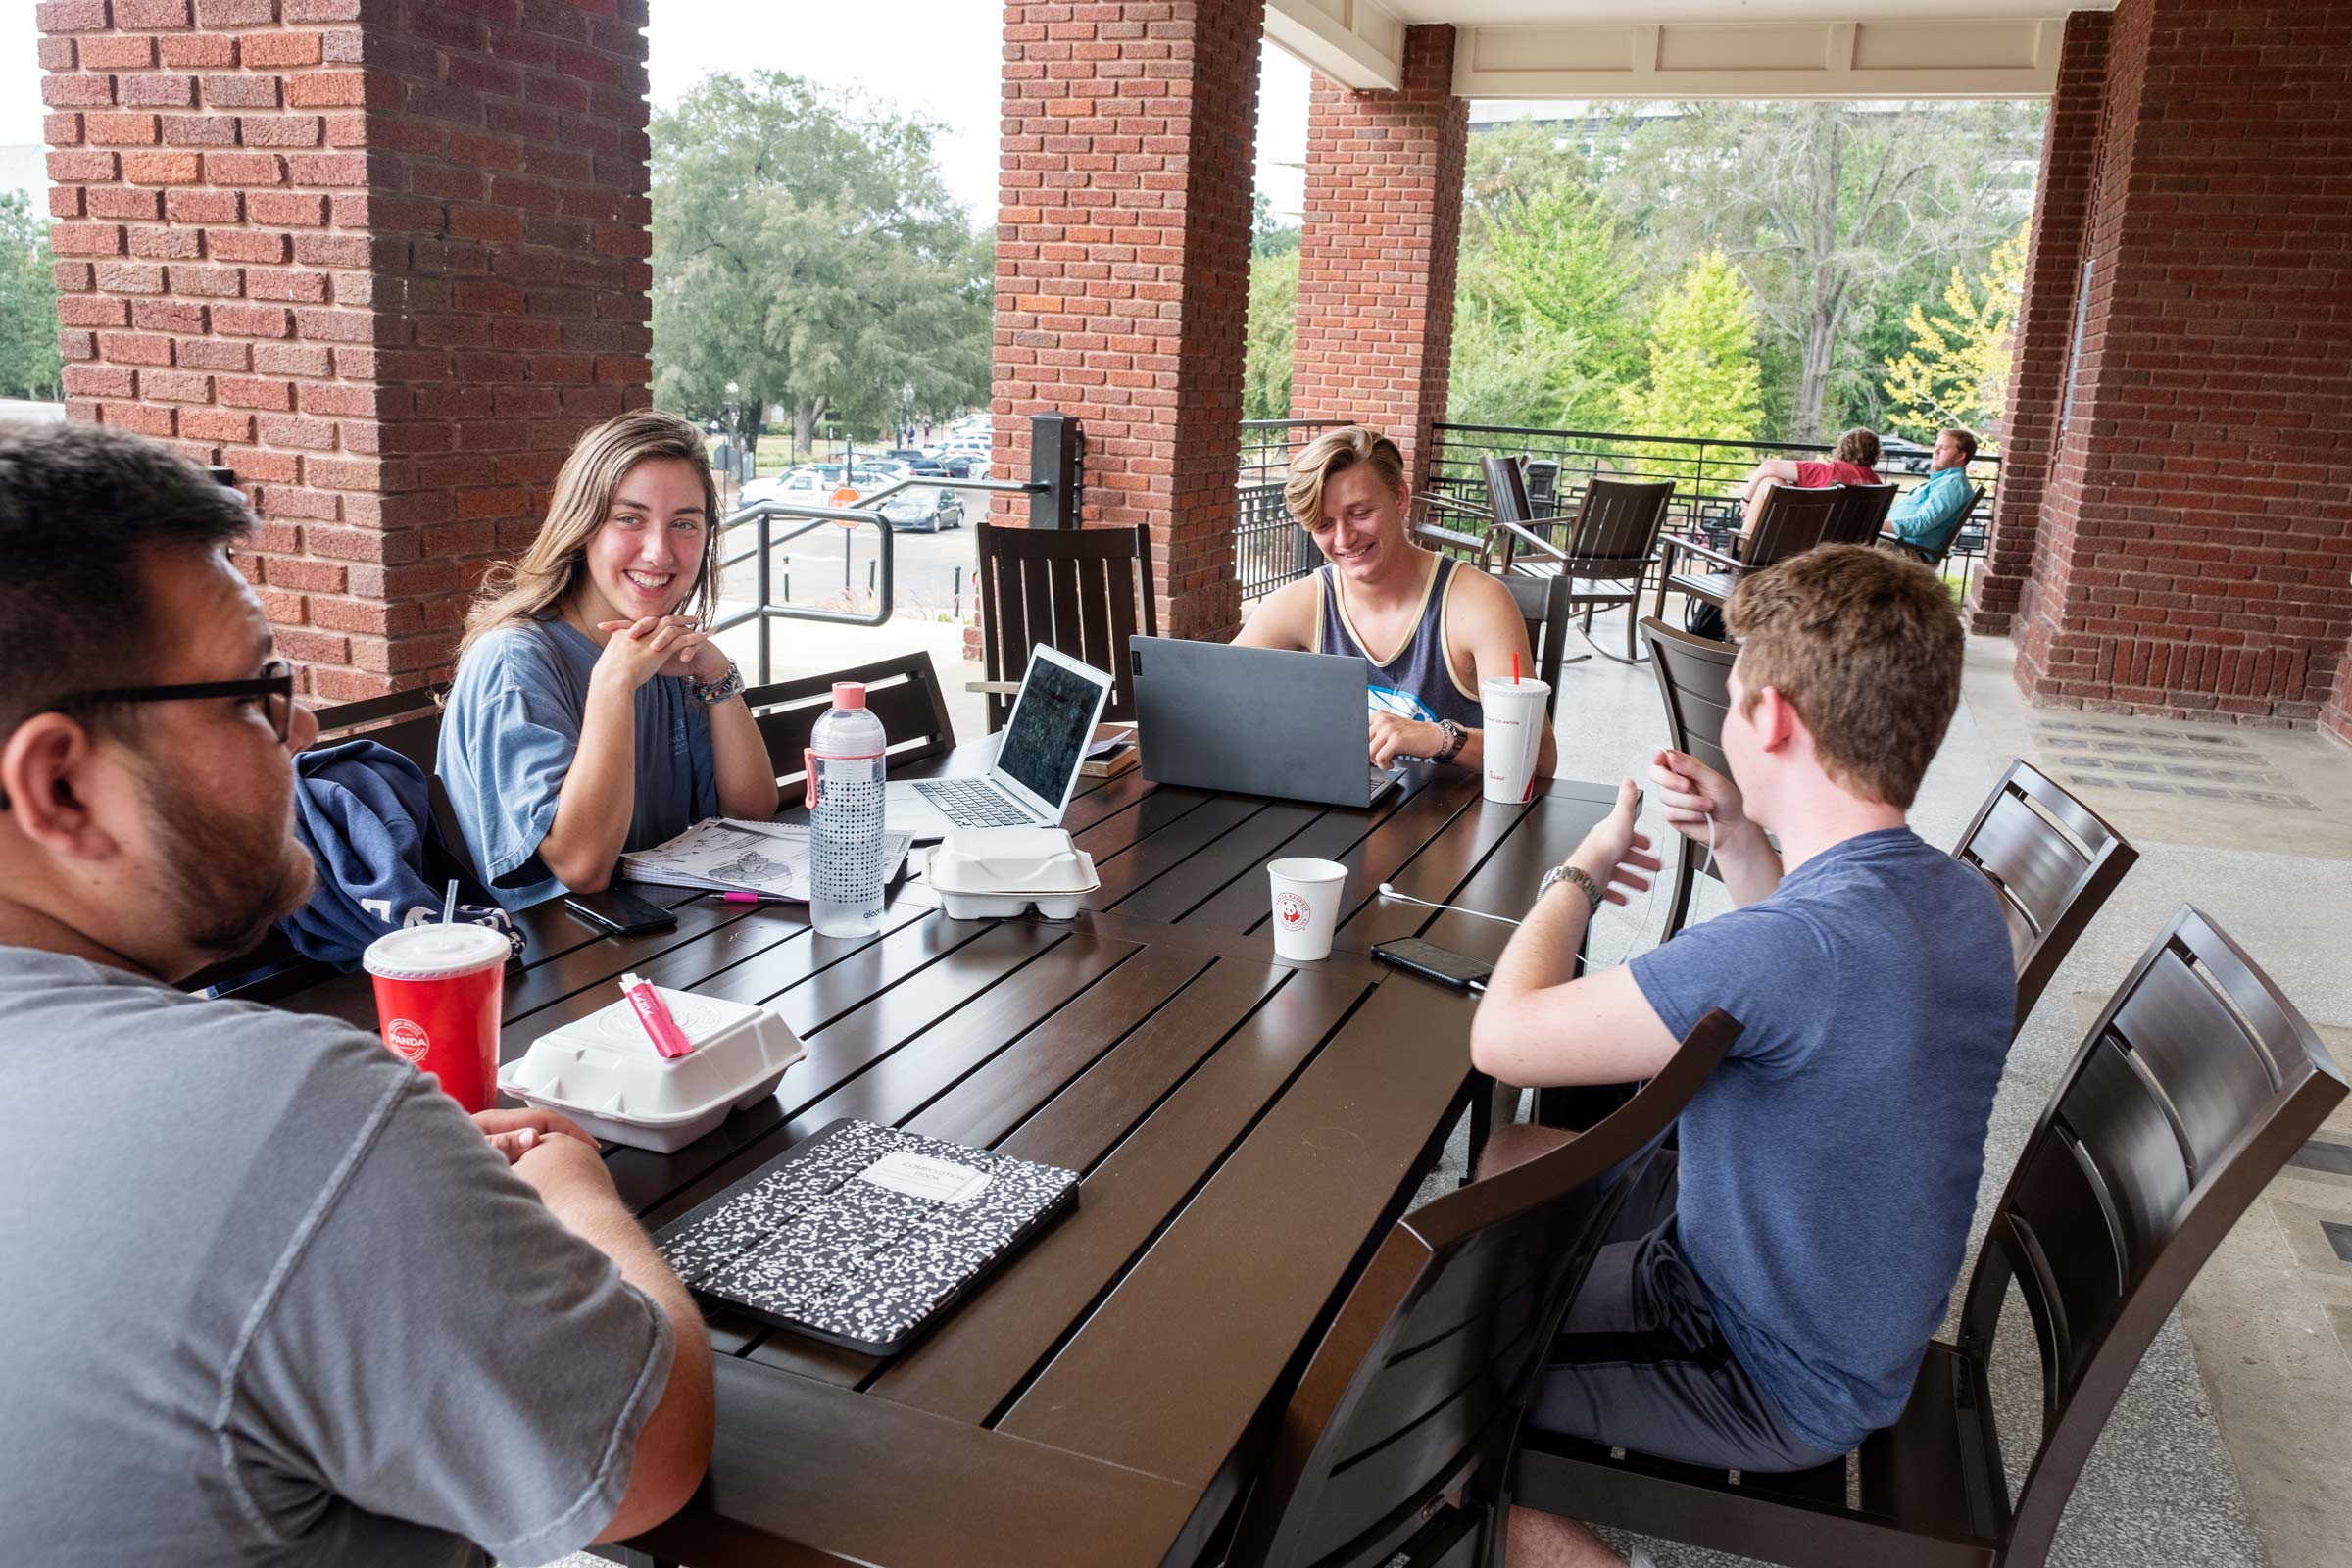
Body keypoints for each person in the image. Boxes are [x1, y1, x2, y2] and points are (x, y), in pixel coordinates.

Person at [0, 422, 713, 1564]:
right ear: (60, 785)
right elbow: (648, 1453)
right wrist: (576, 1186)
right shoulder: (293, 1112)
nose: (305, 726)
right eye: (252, 692)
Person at [1465, 544, 2012, 1568]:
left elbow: (1501, 1035)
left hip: (1763, 1359)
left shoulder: (1794, 952)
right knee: (1509, 1181)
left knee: (1406, 1394)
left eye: (1737, 680)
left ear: (1771, 720)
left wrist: (1576, 875)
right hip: (1835, 1303)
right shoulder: (1949, 896)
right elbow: (1811, 1003)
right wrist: (1736, 836)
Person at [440, 410, 781, 911]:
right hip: (545, 962)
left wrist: (717, 677)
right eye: (630, 519)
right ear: (582, 526)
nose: (659, 552)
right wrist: (614, 685)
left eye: (684, 523)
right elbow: (582, 869)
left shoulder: (663, 650)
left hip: (657, 931)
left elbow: (752, 814)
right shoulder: (515, 661)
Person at [1236, 425, 1558, 776]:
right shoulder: (1301, 603)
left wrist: (1441, 738)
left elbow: (1540, 758)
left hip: (1458, 823)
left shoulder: (1478, 602)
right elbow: (1212, 696)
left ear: (1401, 497)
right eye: (1324, 524)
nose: (1344, 538)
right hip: (1344, 818)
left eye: (1360, 513)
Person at [1734, 427, 1882, 536]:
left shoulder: (1828, 471)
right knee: (1774, 482)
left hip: (1806, 541)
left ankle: (1741, 550)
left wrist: (1746, 501)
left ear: (1843, 448)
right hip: (1846, 549)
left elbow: (1768, 466)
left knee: (1769, 481)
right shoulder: (1877, 485)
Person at [1883, 426, 1980, 563]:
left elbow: (1920, 524)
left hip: (1907, 553)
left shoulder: (1952, 485)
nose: (1935, 451)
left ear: (1960, 456)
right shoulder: (1943, 481)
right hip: (1897, 543)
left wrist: (1873, 525)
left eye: (1943, 448)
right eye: (1936, 446)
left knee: (1848, 538)